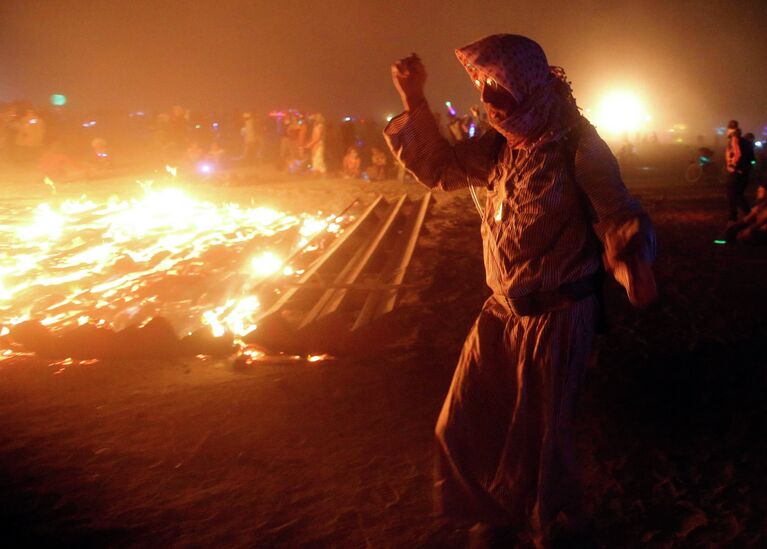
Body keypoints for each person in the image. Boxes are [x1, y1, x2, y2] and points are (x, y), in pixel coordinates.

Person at [385, 35, 657, 547]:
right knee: (462, 422)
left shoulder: (577, 147)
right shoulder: (498, 146)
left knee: (542, 437)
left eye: (498, 87)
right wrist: (413, 99)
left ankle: (556, 523)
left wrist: (630, 262)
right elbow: (440, 168)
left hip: (558, 312)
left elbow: (618, 214)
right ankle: (494, 513)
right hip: (500, 311)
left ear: (528, 85)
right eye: (483, 86)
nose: (489, 99)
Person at [724, 120, 752, 222]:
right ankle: (749, 215)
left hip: (736, 172)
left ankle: (733, 217)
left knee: (731, 194)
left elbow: (737, 153)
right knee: (738, 195)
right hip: (743, 172)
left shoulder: (734, 139)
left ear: (730, 130)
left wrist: (732, 165)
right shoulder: (744, 141)